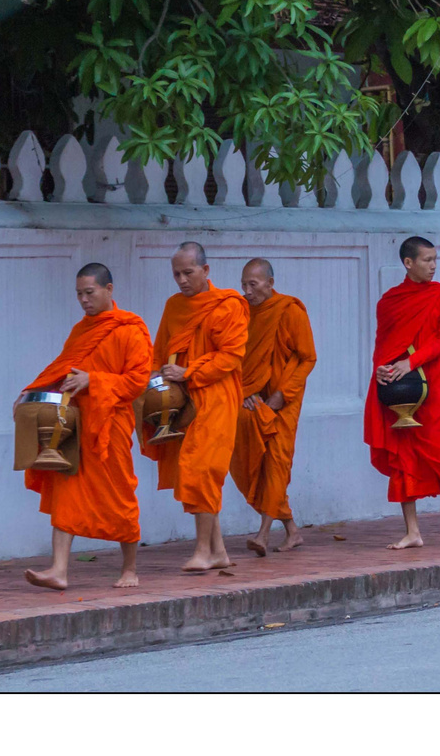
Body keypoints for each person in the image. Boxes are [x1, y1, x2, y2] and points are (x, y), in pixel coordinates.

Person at [18, 264, 152, 590]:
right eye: (79, 294)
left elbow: (137, 381)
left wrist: (94, 380)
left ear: (109, 289)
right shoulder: (82, 331)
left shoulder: (129, 329)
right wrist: (30, 395)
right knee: (67, 494)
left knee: (120, 495)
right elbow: (61, 369)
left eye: (89, 293)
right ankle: (59, 570)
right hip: (75, 423)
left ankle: (130, 569)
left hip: (111, 425)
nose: (83, 300)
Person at [144, 242, 250, 573]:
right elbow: (160, 350)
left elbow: (231, 355)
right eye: (176, 273)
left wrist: (189, 371)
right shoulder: (174, 306)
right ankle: (218, 551)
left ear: (205, 271)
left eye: (188, 272)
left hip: (217, 395)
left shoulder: (228, 305)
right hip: (181, 400)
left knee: (202, 469)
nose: (181, 279)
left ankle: (203, 550)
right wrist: (153, 382)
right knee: (195, 470)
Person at [364, 236, 440, 549]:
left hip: (433, 383)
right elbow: (381, 343)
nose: (433, 266)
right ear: (408, 263)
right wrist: (381, 368)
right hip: (399, 388)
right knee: (402, 456)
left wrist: (410, 362)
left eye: (435, 259)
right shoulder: (390, 300)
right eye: (426, 260)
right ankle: (413, 531)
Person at [230, 258, 317, 556]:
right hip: (255, 400)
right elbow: (242, 359)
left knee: (277, 462)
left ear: (270, 283)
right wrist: (244, 392)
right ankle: (292, 531)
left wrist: (283, 393)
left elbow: (308, 358)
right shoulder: (242, 312)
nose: (247, 291)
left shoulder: (289, 310)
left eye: (253, 285)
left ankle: (263, 535)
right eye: (243, 285)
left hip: (284, 399)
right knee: (253, 464)